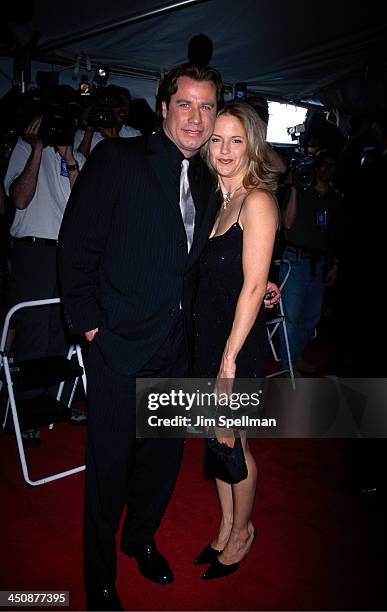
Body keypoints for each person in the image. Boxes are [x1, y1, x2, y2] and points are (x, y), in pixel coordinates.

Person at [58, 63, 225, 610]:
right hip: (119, 343)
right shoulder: (119, 160)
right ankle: (98, 576)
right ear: (163, 108)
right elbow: (76, 246)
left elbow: (200, 261)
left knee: (160, 463)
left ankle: (141, 540)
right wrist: (88, 324)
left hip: (177, 346)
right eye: (186, 104)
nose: (196, 118)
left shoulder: (208, 178)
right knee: (108, 470)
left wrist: (262, 280)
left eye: (206, 107)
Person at [193, 101, 280, 580]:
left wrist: (228, 361)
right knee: (216, 439)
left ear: (252, 147)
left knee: (236, 443)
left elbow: (251, 285)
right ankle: (226, 525)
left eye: (236, 140)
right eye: (217, 139)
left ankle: (243, 532)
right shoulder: (216, 199)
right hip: (208, 339)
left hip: (235, 346)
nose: (224, 150)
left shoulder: (257, 200)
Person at [3, 114, 86, 445]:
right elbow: (20, 199)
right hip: (33, 251)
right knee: (34, 332)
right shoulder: (24, 149)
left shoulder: (74, 157)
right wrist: (38, 149)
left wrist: (68, 157)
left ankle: (52, 403)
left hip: (65, 252)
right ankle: (23, 412)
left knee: (60, 333)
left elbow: (84, 205)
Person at [279, 149, 340, 373]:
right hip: (295, 261)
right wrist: (294, 187)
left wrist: (334, 265)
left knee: (310, 318)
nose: (327, 169)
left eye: (332, 165)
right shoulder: (302, 190)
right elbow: (286, 224)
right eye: (323, 164)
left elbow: (337, 235)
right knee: (291, 317)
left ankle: (294, 358)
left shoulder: (334, 198)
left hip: (320, 264)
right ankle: (288, 368)